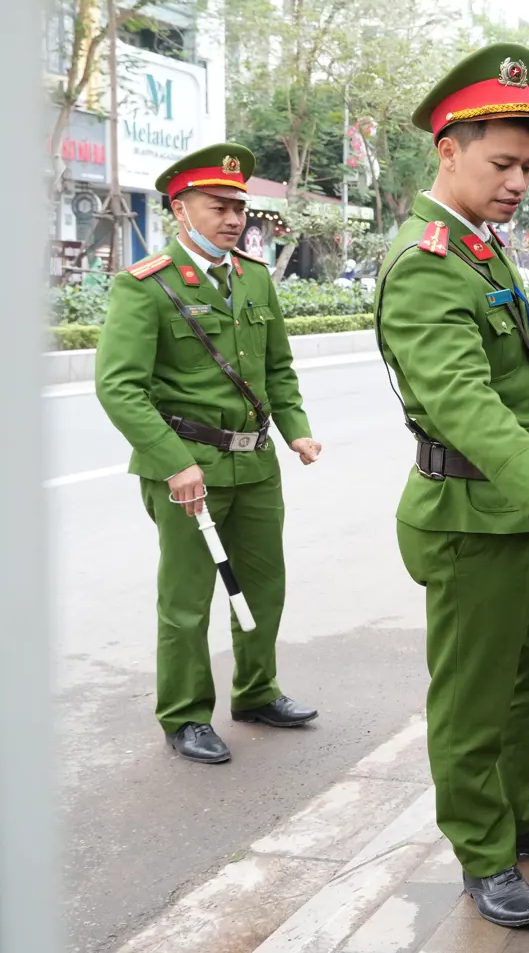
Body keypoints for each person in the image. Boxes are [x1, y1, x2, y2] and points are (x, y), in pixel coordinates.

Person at [373, 43, 529, 929]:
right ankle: (482, 849)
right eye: (501, 163)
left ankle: (519, 811)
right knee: (474, 698)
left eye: (528, 167)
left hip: (521, 513)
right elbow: (462, 399)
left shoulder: (481, 249)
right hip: (474, 518)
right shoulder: (428, 261)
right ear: (449, 149)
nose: (517, 182)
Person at [94, 143, 323, 765]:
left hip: (255, 465)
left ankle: (256, 692)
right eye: (217, 206)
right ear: (180, 209)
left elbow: (278, 367)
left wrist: (295, 428)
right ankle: (186, 715)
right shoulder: (146, 285)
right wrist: (174, 462)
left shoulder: (252, 277)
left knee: (264, 587)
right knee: (188, 601)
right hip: (185, 469)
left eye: (238, 208)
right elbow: (118, 387)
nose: (231, 218)